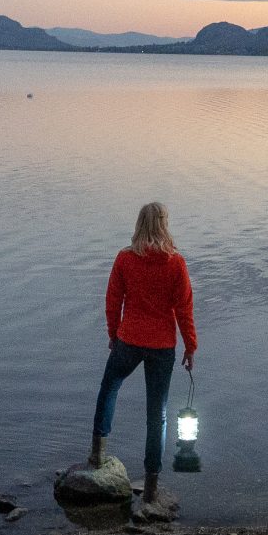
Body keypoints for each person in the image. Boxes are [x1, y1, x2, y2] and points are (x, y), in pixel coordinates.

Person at [89, 200, 197, 513]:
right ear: (164, 224)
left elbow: (113, 300)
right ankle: (150, 489)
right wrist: (190, 346)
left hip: (129, 339)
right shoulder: (175, 263)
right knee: (157, 414)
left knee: (109, 389)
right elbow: (184, 309)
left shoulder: (125, 258)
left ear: (139, 224)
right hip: (162, 346)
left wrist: (113, 334)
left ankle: (97, 455)